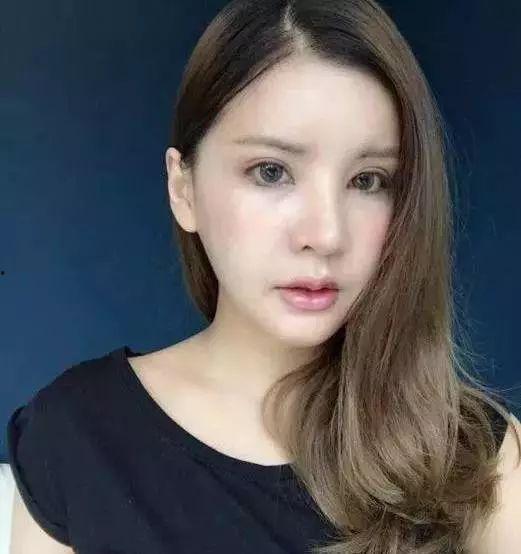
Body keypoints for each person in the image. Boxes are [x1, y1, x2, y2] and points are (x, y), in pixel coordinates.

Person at [6, 0, 521, 552]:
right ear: (183, 188)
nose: (326, 234)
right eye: (272, 172)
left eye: (368, 180)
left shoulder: (474, 455)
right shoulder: (74, 438)